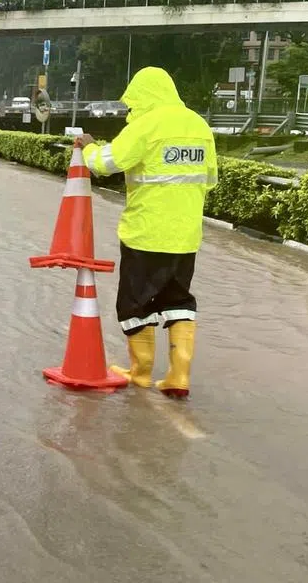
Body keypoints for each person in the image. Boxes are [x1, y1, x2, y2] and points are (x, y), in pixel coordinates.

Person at [76, 67, 217, 398]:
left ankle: (140, 373)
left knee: (135, 303)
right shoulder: (199, 125)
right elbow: (209, 179)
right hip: (185, 237)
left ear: (143, 96)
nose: (130, 109)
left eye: (133, 102)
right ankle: (178, 376)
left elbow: (106, 163)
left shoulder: (147, 125)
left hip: (146, 233)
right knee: (179, 301)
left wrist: (88, 147)